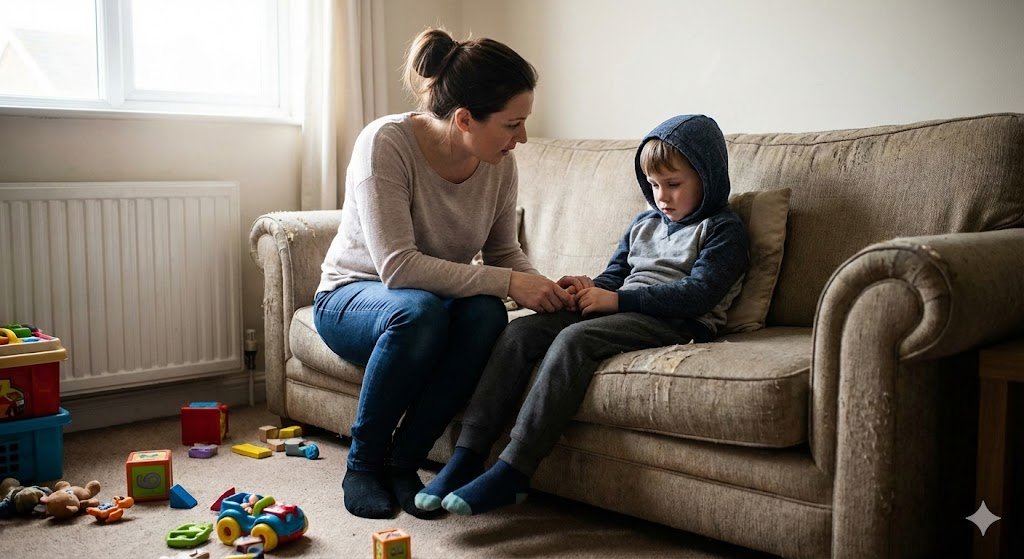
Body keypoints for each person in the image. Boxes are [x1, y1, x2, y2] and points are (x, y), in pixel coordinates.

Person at [414, 114, 750, 516]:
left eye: (674, 185)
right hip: (625, 307)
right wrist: (587, 290)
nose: (662, 197)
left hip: (678, 322)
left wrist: (618, 302)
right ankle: (468, 455)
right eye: (655, 186)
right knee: (520, 334)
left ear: (708, 178)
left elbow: (699, 294)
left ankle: (516, 469)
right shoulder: (644, 222)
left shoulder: (723, 229)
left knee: (575, 340)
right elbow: (614, 276)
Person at [313, 28, 574, 520]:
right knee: (421, 312)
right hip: (352, 299)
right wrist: (509, 283)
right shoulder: (385, 143)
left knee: (484, 314)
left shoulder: (498, 163)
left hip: (429, 304)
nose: (522, 138)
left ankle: (403, 462)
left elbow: (503, 254)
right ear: (463, 118)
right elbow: (397, 266)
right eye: (513, 124)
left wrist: (544, 286)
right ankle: (363, 464)